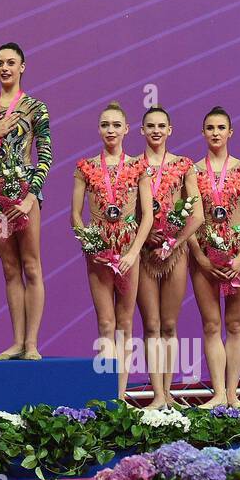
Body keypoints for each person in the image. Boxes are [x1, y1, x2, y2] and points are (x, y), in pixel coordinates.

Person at [73, 102, 154, 399]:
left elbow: (148, 215)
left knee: (125, 322)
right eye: (105, 125)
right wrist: (91, 243)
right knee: (105, 322)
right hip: (99, 252)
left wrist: (133, 252)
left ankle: (120, 395)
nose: (111, 130)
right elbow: (75, 216)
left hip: (129, 249)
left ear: (126, 129)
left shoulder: (138, 167)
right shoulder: (85, 167)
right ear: (99, 129)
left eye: (116, 125)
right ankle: (107, 393)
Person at [0, 42, 52, 360]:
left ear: (22, 67)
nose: (5, 68)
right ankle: (17, 341)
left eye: (11, 62)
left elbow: (46, 155)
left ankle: (32, 343)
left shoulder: (36, 108)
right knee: (10, 268)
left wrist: (32, 195)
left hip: (25, 197)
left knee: (31, 266)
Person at [188, 106, 240, 408]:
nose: (215, 133)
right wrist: (200, 257)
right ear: (203, 132)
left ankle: (232, 393)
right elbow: (187, 218)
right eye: (210, 128)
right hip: (203, 258)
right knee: (211, 325)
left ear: (230, 132)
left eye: (220, 128)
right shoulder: (192, 171)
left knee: (235, 325)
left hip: (237, 259)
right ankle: (217, 393)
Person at [136, 106, 201, 407]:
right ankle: (157, 394)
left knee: (170, 325)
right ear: (142, 131)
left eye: (161, 125)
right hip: (146, 254)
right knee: (151, 325)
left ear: (170, 130)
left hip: (176, 253)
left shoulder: (185, 165)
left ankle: (169, 392)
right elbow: (124, 212)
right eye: (150, 126)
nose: (156, 130)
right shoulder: (133, 167)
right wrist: (143, 234)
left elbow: (197, 215)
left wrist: (177, 242)